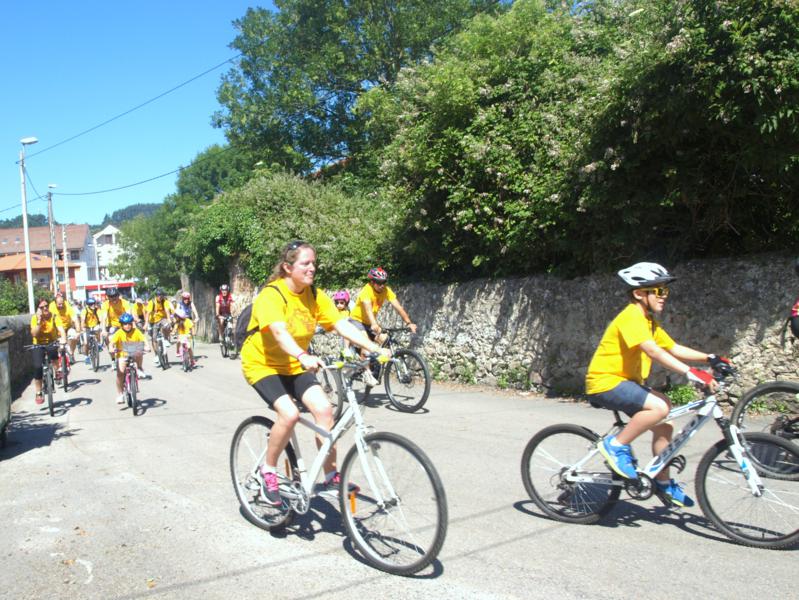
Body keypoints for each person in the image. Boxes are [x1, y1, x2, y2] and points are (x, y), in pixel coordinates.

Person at [241, 240, 390, 506]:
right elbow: (279, 332)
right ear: (288, 267)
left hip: (294, 365)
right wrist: (302, 355)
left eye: (314, 263)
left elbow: (342, 325)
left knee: (324, 411)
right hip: (263, 364)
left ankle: (331, 476)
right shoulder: (271, 295)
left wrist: (375, 348)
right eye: (305, 263)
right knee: (289, 414)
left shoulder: (314, 295)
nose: (312, 268)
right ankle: (268, 471)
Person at [585, 262, 728, 508]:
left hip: (626, 383)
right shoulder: (631, 317)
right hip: (605, 382)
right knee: (659, 408)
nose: (664, 296)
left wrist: (711, 358)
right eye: (659, 291)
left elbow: (672, 348)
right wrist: (692, 373)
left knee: (665, 423)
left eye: (665, 291)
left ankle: (662, 481)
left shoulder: (648, 321)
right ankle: (615, 445)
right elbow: (652, 351)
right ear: (639, 293)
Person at [349, 267, 417, 342]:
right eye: (379, 282)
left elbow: (398, 307)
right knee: (365, 342)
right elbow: (368, 309)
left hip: (369, 323)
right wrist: (374, 323)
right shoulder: (367, 290)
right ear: (372, 282)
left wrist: (408, 323)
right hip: (357, 321)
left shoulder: (386, 290)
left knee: (385, 340)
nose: (382, 285)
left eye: (384, 282)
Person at [30, 297, 67, 405]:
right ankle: (38, 392)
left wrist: (63, 340)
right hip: (38, 344)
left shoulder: (54, 316)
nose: (45, 308)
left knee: (53, 352)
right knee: (37, 367)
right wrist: (39, 321)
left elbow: (61, 329)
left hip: (51, 342)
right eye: (42, 307)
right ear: (38, 309)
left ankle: (57, 371)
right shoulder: (34, 318)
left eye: (46, 306)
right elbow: (34, 334)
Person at [109, 312, 150, 404]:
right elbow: (111, 343)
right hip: (122, 355)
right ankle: (120, 394)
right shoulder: (119, 333)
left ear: (132, 324)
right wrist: (111, 348)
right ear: (122, 325)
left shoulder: (136, 331)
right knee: (120, 374)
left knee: (140, 351)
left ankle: (139, 368)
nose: (127, 326)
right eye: (125, 324)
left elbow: (144, 339)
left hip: (134, 352)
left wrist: (147, 346)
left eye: (129, 324)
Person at [100, 287, 131, 363]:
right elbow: (104, 317)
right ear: (108, 297)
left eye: (115, 296)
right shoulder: (105, 304)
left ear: (118, 295)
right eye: (111, 297)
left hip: (123, 324)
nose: (113, 298)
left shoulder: (124, 302)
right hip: (112, 326)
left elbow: (129, 314)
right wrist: (103, 330)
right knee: (110, 339)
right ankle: (113, 359)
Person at [49, 292, 81, 362]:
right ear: (55, 302)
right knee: (58, 345)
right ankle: (60, 360)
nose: (61, 305)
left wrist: (78, 331)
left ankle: (71, 353)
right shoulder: (51, 307)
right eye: (59, 304)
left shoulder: (67, 305)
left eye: (62, 303)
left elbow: (75, 319)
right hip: (57, 329)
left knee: (74, 335)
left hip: (67, 327)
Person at [145, 288, 174, 365]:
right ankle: (156, 355)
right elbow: (148, 313)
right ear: (156, 296)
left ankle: (166, 339)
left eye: (161, 295)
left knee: (167, 325)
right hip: (153, 322)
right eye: (158, 295)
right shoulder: (152, 302)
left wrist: (169, 320)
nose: (160, 297)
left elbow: (167, 311)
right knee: (154, 338)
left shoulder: (165, 301)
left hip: (162, 319)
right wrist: (146, 323)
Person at [80, 297, 102, 362]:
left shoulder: (97, 310)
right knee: (86, 343)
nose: (93, 305)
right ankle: (86, 356)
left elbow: (101, 318)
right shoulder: (85, 311)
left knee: (98, 329)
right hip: (86, 327)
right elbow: (82, 320)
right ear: (88, 305)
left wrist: (102, 324)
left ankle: (98, 344)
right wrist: (82, 328)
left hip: (95, 325)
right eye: (91, 304)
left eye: (94, 303)